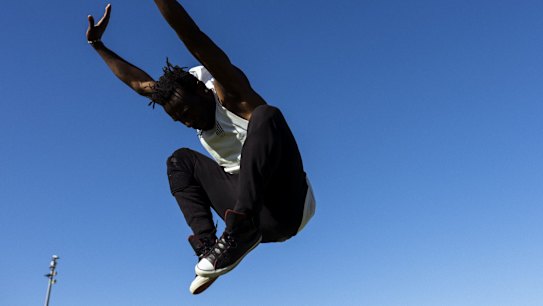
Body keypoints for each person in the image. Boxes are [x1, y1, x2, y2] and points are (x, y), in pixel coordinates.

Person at [86, 1, 315, 294]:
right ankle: (211, 247)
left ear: (203, 91)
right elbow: (140, 83)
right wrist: (97, 45)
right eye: (179, 119)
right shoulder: (179, 102)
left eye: (189, 112)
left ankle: (239, 229)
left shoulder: (231, 93)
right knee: (179, 160)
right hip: (258, 216)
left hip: (288, 202)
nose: (188, 121)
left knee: (266, 115)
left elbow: (193, 38)